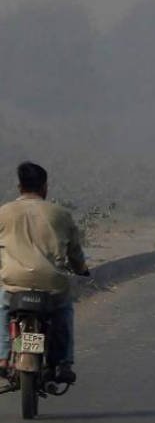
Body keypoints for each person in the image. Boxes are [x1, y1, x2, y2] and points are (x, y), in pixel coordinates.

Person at [0, 162, 89, 383]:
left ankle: (2, 358)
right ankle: (63, 361)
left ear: (19, 187)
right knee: (64, 312)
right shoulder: (61, 214)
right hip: (51, 285)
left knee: (2, 308)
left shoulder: (3, 212)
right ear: (45, 187)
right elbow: (75, 252)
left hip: (14, 282)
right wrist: (82, 269)